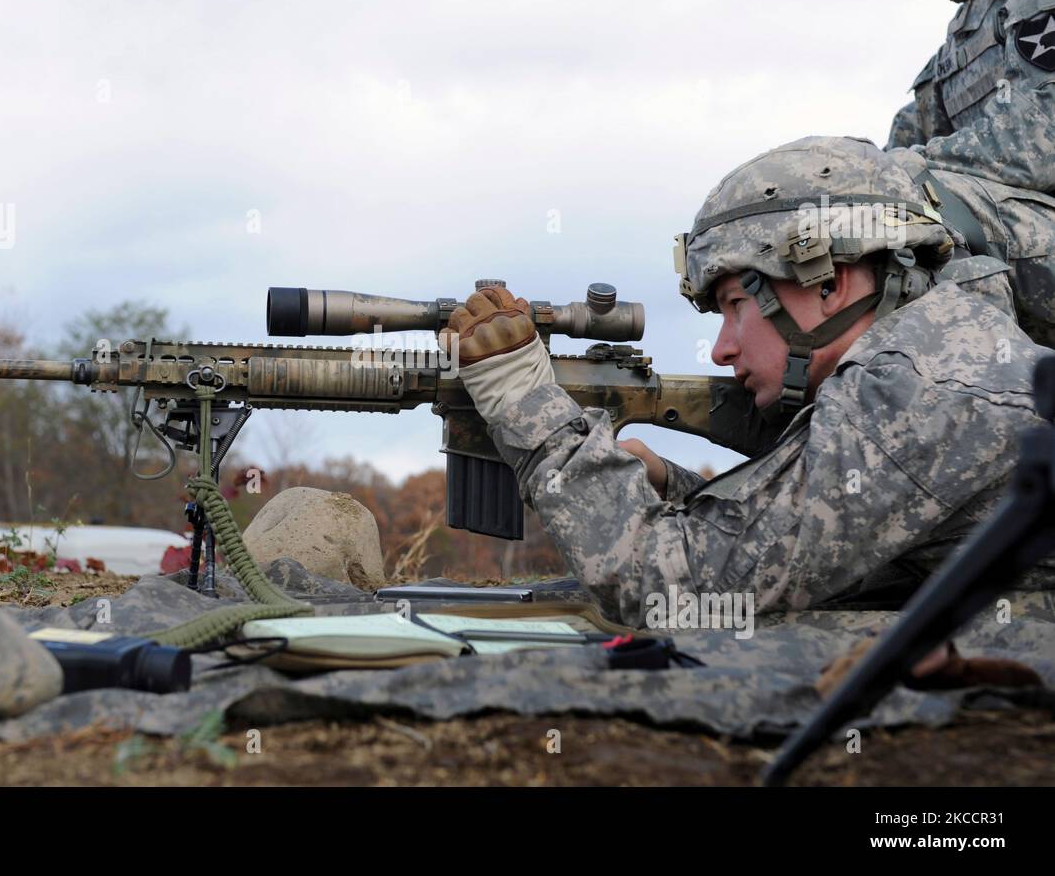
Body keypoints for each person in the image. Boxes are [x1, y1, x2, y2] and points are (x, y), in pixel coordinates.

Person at [439, 136, 1055, 625]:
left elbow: (669, 591)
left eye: (737, 304)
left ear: (827, 281)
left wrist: (524, 401)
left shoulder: (921, 392)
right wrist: (671, 488)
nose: (725, 348)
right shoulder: (940, 352)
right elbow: (829, 559)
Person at [881, 0, 1055, 344]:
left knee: (923, 208)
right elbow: (903, 143)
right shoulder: (973, 21)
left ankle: (979, 394)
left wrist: (894, 175)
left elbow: (1037, 146)